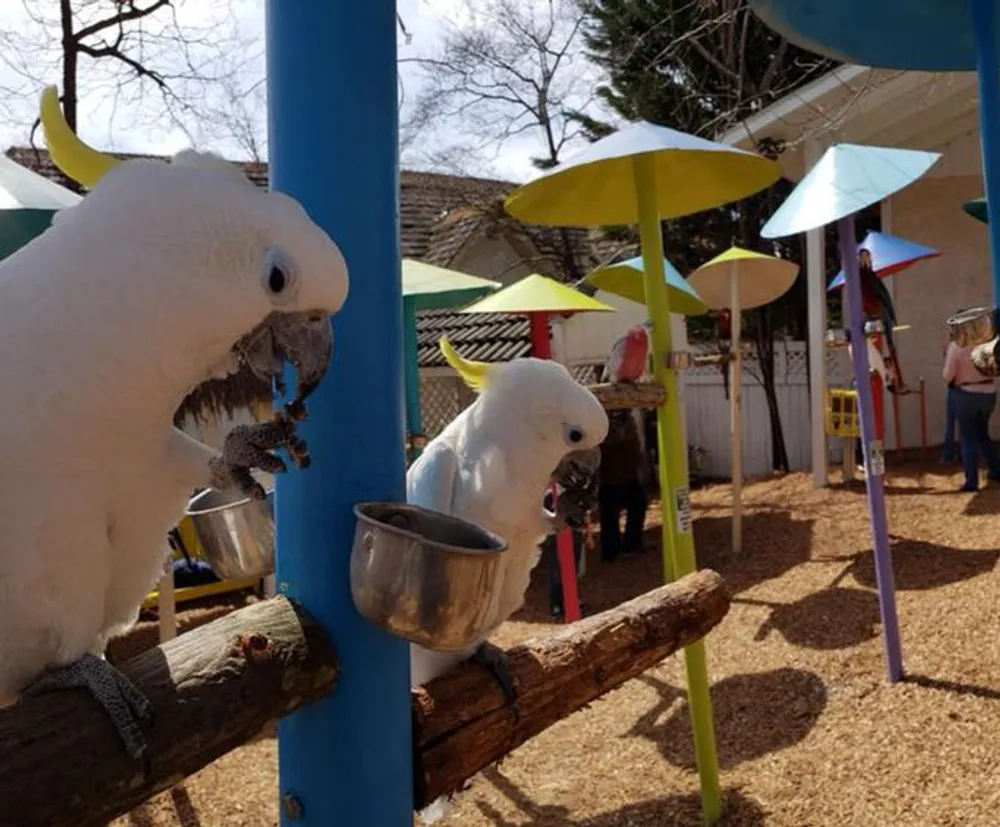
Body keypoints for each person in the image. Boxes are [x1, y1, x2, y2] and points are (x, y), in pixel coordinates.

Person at [942, 331, 1000, 491]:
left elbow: (948, 376)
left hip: (967, 393)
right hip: (989, 392)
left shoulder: (956, 346)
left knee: (967, 437)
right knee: (983, 434)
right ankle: (996, 470)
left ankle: (972, 481)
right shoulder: (985, 344)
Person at [598, 409, 649, 561]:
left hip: (629, 474)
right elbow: (613, 437)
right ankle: (611, 552)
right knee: (610, 516)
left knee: (638, 506)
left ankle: (632, 544)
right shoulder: (604, 423)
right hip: (610, 477)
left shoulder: (627, 418)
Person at [858, 248, 906, 393]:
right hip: (869, 313)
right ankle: (888, 377)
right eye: (862, 257)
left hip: (880, 309)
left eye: (867, 257)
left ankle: (897, 379)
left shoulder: (872, 277)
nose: (864, 259)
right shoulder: (858, 278)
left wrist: (891, 317)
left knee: (890, 344)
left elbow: (885, 299)